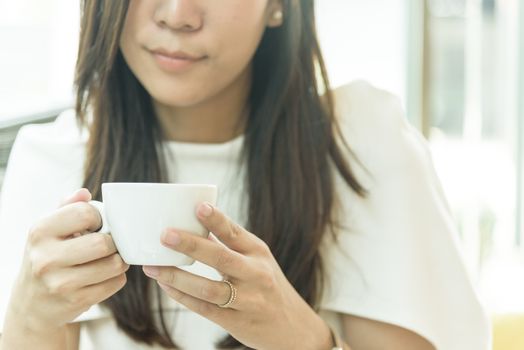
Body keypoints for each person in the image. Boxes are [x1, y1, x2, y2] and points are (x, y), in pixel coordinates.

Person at [0, 0, 491, 349]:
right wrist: (29, 318)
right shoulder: (54, 160)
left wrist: (303, 340)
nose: (177, 14)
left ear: (279, 5)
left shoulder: (360, 144)